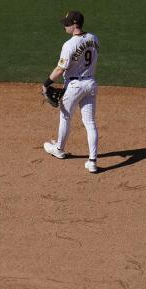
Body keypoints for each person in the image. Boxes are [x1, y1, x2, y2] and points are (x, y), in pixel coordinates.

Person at [42, 11, 100, 173]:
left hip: (75, 85)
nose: (64, 25)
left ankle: (59, 149)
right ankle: (92, 161)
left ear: (75, 24)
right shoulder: (94, 38)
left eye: (67, 23)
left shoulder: (69, 45)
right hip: (91, 83)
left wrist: (46, 84)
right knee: (90, 122)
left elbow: (60, 69)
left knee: (65, 116)